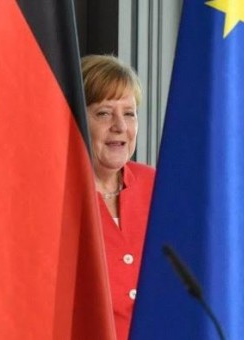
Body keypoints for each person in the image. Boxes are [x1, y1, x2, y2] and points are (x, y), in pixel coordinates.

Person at [81, 54, 155, 340]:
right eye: (103, 113)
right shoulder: (54, 197)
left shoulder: (155, 184)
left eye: (129, 113)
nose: (120, 126)